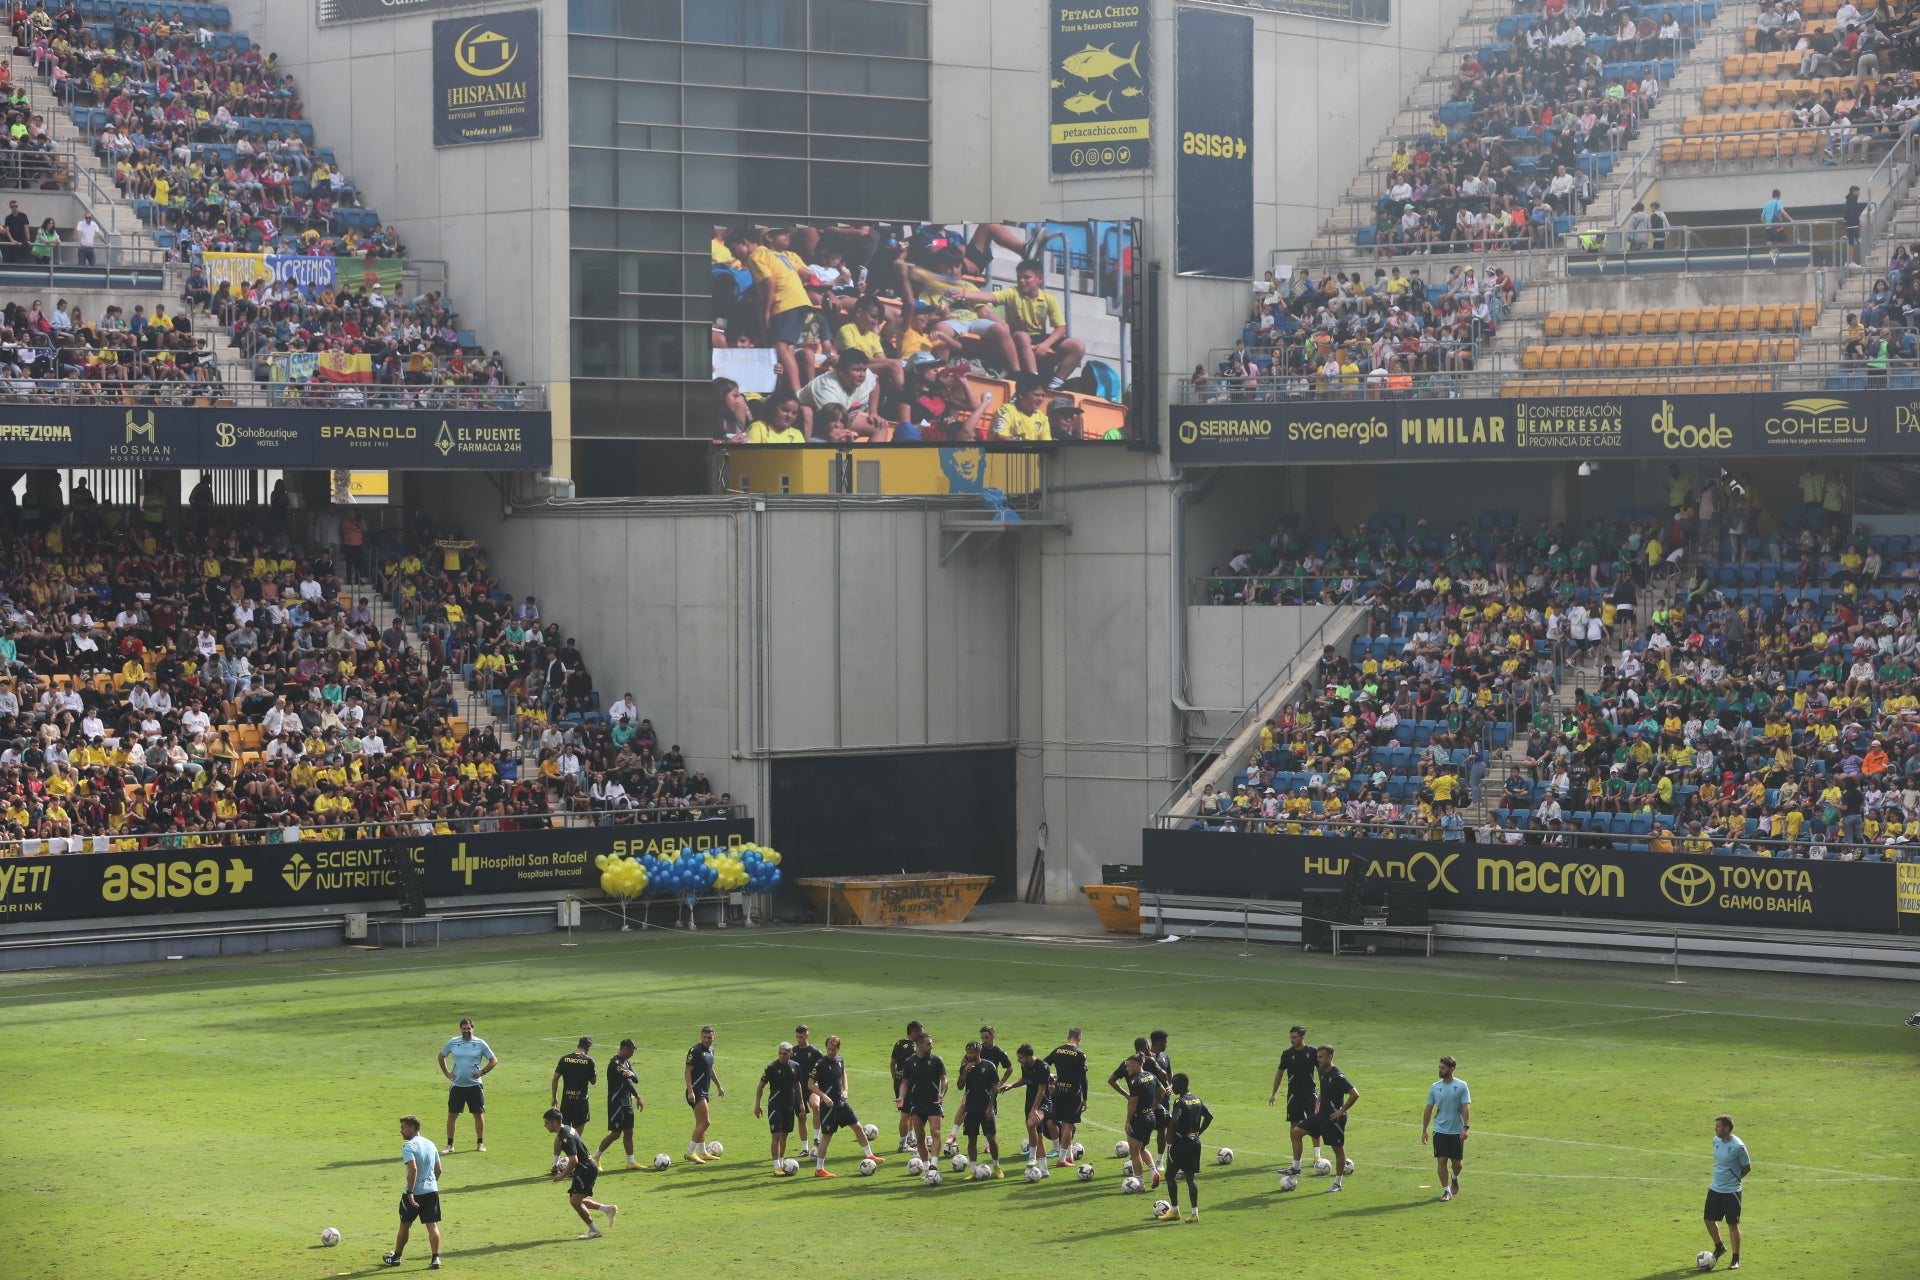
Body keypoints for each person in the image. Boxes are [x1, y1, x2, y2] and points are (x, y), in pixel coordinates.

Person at [807, 1033, 884, 1177]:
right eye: (829, 1049)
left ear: (839, 1049)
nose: (831, 1052)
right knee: (827, 1137)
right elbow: (810, 1084)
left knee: (858, 1127)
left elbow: (843, 1074)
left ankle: (870, 1155)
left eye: (833, 1049)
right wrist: (824, 1097)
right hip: (829, 1107)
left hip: (841, 1104)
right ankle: (819, 1169)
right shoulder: (820, 1064)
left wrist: (846, 1089)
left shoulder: (840, 1060)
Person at [1290, 1044, 1359, 1193]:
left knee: (1338, 1150)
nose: (1318, 1060)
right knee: (1296, 1132)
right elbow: (1323, 1089)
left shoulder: (1338, 1076)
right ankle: (1295, 1168)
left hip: (1334, 1119)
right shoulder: (1321, 1071)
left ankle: (1337, 1183)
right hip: (1320, 1116)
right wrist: (1318, 1102)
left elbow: (1355, 1094)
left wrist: (1341, 1111)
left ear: (1330, 1057)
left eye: (1321, 1057)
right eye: (1317, 1057)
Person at [544, 1109, 617, 1239]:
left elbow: (573, 1160)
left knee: (575, 1202)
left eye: (547, 1122)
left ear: (555, 1122)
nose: (545, 1125)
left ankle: (594, 1230)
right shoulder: (566, 1129)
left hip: (585, 1168)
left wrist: (562, 1176)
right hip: (586, 1167)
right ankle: (608, 1209)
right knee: (578, 1200)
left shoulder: (566, 1136)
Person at [383, 1115, 443, 1269]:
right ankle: (436, 1259)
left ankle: (397, 1257)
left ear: (412, 1128)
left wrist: (410, 1192)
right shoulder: (431, 1144)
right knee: (432, 1225)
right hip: (431, 1191)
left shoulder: (409, 1146)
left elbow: (413, 1168)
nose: (401, 1131)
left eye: (403, 1128)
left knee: (405, 1224)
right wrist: (431, 1184)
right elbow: (438, 1169)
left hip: (414, 1193)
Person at [1158, 1073, 1213, 1223]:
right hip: (1195, 1142)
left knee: (1169, 1176)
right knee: (1190, 1178)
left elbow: (1175, 1119)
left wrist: (1170, 1134)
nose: (1172, 1087)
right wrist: (1198, 1133)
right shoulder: (1196, 1098)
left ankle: (1174, 1211)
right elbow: (1209, 1116)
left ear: (1180, 1085)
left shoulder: (1180, 1102)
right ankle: (1194, 1213)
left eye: (1174, 1084)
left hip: (1180, 1144)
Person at [1270, 1024, 1324, 1174]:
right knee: (1294, 1129)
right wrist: (1274, 1093)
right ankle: (1296, 1163)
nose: (1292, 1040)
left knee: (1314, 1122)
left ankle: (1317, 1156)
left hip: (1310, 1093)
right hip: (1293, 1095)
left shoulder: (1312, 1052)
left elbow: (1321, 1072)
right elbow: (1279, 1074)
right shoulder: (1287, 1054)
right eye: (1290, 1037)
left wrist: (1322, 1092)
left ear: (1302, 1037)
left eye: (1294, 1037)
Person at [437, 1018, 496, 1154]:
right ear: (460, 1029)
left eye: (468, 1028)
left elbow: (494, 1060)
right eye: (464, 1028)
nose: (466, 1031)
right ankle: (450, 1145)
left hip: (474, 1086)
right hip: (457, 1085)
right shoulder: (453, 1042)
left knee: (478, 1114)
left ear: (472, 1029)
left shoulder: (480, 1043)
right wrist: (447, 1073)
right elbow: (441, 1056)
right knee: (452, 1115)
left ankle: (480, 1143)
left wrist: (483, 1071)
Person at [1421, 1054, 1472, 1201]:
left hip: (1457, 1131)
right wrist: (1424, 1129)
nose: (1440, 1070)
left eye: (1443, 1068)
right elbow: (1428, 1109)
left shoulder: (1462, 1086)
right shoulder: (1435, 1087)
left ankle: (1454, 1176)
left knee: (1457, 1163)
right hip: (1440, 1130)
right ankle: (1446, 1191)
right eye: (1439, 1067)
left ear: (1452, 1069)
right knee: (1441, 1161)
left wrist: (1466, 1127)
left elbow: (1465, 1107)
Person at [1705, 1114, 1751, 1270]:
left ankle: (1735, 1258)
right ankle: (1719, 1247)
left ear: (1726, 1128)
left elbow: (1747, 1167)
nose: (1715, 1128)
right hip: (1715, 1188)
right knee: (1708, 1220)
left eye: (1718, 1126)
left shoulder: (1738, 1147)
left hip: (1731, 1191)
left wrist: (1736, 1179)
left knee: (1732, 1225)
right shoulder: (1716, 1141)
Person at [896, 1032, 948, 1168]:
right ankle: (926, 1167)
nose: (932, 1046)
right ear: (919, 1044)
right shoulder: (909, 1063)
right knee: (919, 1136)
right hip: (917, 1104)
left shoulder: (937, 1060)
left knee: (936, 1133)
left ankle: (934, 1165)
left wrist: (942, 1093)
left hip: (934, 1103)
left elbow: (944, 1079)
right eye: (928, 1044)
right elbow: (905, 1083)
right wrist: (901, 1097)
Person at [755, 1041, 806, 1176]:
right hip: (775, 1106)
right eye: (780, 1053)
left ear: (791, 1054)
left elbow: (797, 1084)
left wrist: (801, 1103)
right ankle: (776, 1166)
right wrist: (757, 1104)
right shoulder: (771, 1068)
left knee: (784, 1135)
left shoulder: (795, 1067)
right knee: (776, 1135)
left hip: (789, 1106)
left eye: (785, 1054)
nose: (782, 1056)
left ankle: (781, 1161)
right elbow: (761, 1086)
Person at [1040, 1029, 1089, 1168]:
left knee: (1062, 1123)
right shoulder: (1080, 1055)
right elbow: (1083, 1079)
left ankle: (1069, 1156)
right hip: (1073, 1094)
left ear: (1068, 1037)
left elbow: (1044, 1064)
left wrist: (1049, 1080)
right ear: (1079, 1038)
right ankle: (1062, 1159)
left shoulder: (1058, 1050)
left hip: (1059, 1092)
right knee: (1068, 1126)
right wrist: (1085, 1098)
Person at [955, 1040, 1004, 1177]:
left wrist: (990, 1107)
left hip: (986, 1108)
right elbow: (959, 1086)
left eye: (972, 1052)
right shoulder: (965, 1067)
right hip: (971, 1108)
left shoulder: (989, 1066)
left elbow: (995, 1089)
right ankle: (972, 1169)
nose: (969, 1055)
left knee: (991, 1137)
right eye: (968, 1052)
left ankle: (996, 1166)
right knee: (972, 1140)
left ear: (978, 1052)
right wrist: (965, 1071)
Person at [1004, 1044, 1054, 1176]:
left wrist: (1034, 1110)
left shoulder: (1043, 1067)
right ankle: (1044, 1170)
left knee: (1031, 1123)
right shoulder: (1025, 1065)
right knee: (1039, 1136)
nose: (1019, 1060)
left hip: (1043, 1103)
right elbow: (1025, 1080)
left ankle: (1032, 1157)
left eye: (1021, 1057)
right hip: (1030, 1103)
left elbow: (1041, 1090)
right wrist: (1011, 1086)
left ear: (1029, 1056)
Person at [594, 1038, 643, 1168]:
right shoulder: (615, 1063)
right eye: (631, 1051)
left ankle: (631, 1162)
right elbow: (627, 1082)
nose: (633, 1053)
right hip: (617, 1103)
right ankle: (595, 1157)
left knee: (629, 1132)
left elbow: (635, 1079)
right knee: (616, 1134)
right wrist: (638, 1096)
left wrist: (631, 1073)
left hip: (627, 1102)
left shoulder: (627, 1062)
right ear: (624, 1049)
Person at [683, 1024, 725, 1163]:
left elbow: (710, 1069)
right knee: (705, 1122)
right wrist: (690, 1091)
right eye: (704, 1037)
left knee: (700, 1122)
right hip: (695, 1091)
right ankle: (690, 1152)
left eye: (709, 1037)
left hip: (704, 1091)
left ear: (714, 1037)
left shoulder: (711, 1050)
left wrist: (719, 1086)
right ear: (701, 1036)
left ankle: (703, 1152)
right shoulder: (695, 1050)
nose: (707, 1040)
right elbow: (688, 1071)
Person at [790, 1024, 826, 1156]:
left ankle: (816, 1138)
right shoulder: (792, 1052)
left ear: (807, 1036)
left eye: (801, 1037)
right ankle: (805, 1148)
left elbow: (824, 1065)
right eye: (797, 1037)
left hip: (812, 1087)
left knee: (816, 1106)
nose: (799, 1039)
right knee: (801, 1116)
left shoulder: (815, 1052)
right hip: (798, 1089)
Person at [551, 1037, 597, 1138]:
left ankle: (556, 1155)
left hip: (566, 1101)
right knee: (576, 1136)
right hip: (581, 1102)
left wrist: (554, 1097)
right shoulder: (589, 1061)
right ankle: (573, 1154)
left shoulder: (564, 1059)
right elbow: (593, 1081)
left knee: (562, 1133)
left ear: (577, 1046)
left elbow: (555, 1079)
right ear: (588, 1049)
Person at [889, 1019, 924, 1152]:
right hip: (908, 1085)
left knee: (908, 1113)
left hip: (898, 1082)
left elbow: (892, 1063)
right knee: (906, 1114)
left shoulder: (899, 1043)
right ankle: (903, 1144)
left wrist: (895, 1079)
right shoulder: (914, 1048)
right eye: (921, 1032)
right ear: (914, 1032)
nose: (922, 1035)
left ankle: (910, 1138)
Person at [1843, 185, 1864, 268]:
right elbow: (1853, 212)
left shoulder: (1850, 199)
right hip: (1852, 225)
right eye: (1858, 191)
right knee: (1852, 243)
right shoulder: (1852, 199)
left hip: (1850, 224)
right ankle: (1850, 261)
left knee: (1853, 242)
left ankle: (1849, 261)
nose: (1859, 193)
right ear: (1855, 191)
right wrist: (1858, 221)